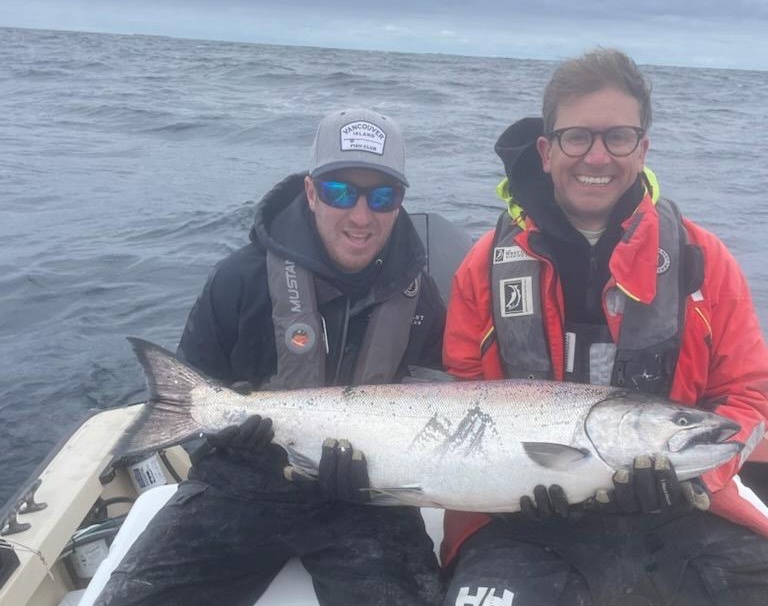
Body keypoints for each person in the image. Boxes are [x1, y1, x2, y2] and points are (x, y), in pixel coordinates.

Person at [441, 49, 768, 606]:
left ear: (642, 149)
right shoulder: (483, 267)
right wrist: (509, 482)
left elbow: (748, 396)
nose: (597, 156)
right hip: (517, 518)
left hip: (680, 510)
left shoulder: (704, 261)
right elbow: (461, 399)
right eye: (576, 137)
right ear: (546, 151)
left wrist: (694, 477)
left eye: (618, 137)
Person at [97, 108, 445, 606]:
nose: (361, 215)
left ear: (399, 203)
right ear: (311, 192)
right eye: (340, 192)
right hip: (242, 483)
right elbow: (195, 389)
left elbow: (432, 408)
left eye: (382, 196)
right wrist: (226, 433)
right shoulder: (239, 278)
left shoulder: (422, 298)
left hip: (368, 495)